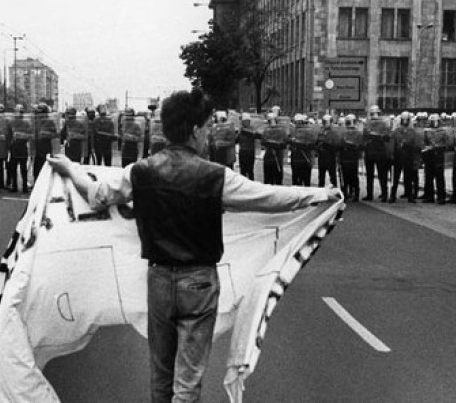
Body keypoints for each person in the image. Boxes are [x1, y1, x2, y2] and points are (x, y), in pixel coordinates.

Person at [47, 88, 341, 403]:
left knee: (160, 375)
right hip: (199, 283)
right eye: (206, 127)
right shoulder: (216, 176)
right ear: (194, 130)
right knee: (187, 382)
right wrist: (319, 195)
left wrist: (70, 169)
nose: (209, 134)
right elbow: (268, 198)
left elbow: (98, 196)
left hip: (158, 280)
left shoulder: (140, 172)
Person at [362, 105, 390, 202]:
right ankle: (376, 194)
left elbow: (387, 137)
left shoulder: (382, 123)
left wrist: (374, 135)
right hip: (372, 151)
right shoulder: (368, 123)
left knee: (380, 175)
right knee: (374, 175)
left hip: (378, 151)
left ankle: (383, 194)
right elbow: (364, 136)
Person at [8, 104, 30, 193]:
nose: (19, 113)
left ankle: (24, 186)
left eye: (21, 112)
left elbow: (29, 135)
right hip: (14, 147)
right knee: (13, 168)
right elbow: (8, 135)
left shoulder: (26, 123)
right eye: (18, 111)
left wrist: (21, 137)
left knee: (23, 168)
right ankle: (14, 186)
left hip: (22, 146)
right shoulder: (11, 122)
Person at [261, 112, 286, 185]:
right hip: (276, 159)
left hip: (271, 159)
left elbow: (263, 142)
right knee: (277, 181)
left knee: (269, 181)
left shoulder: (266, 131)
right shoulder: (282, 130)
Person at [341, 114, 361, 201]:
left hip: (351, 157)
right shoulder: (346, 132)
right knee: (350, 177)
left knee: (350, 177)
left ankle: (352, 193)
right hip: (348, 157)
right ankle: (349, 193)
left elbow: (359, 145)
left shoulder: (356, 133)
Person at [316, 114, 339, 188]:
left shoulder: (334, 132)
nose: (324, 124)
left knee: (332, 177)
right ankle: (320, 192)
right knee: (321, 177)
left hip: (330, 157)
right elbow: (317, 141)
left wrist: (325, 144)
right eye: (323, 122)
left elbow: (335, 144)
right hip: (322, 157)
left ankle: (335, 191)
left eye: (325, 122)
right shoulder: (321, 131)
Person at [237, 113, 259, 180]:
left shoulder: (252, 130)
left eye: (243, 121)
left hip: (249, 152)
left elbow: (256, 136)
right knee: (243, 171)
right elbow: (237, 140)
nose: (242, 123)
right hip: (243, 152)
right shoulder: (241, 130)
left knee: (249, 171)